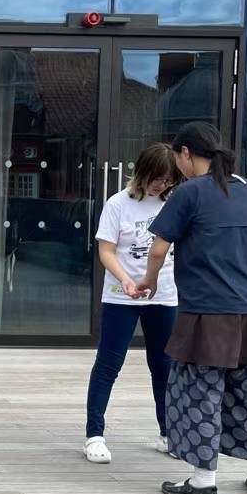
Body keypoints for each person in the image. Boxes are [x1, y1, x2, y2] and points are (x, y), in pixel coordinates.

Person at [140, 122, 247, 494]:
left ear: (185, 153)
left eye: (176, 157)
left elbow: (158, 248)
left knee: (198, 392)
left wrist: (150, 282)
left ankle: (203, 482)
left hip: (208, 311)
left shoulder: (190, 192)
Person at [82, 142, 180, 464]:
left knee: (163, 366)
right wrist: (125, 279)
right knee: (109, 363)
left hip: (164, 294)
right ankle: (94, 434)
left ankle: (168, 433)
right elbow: (106, 250)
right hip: (120, 295)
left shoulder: (175, 203)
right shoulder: (117, 204)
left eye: (168, 180)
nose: (161, 185)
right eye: (158, 178)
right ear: (143, 172)